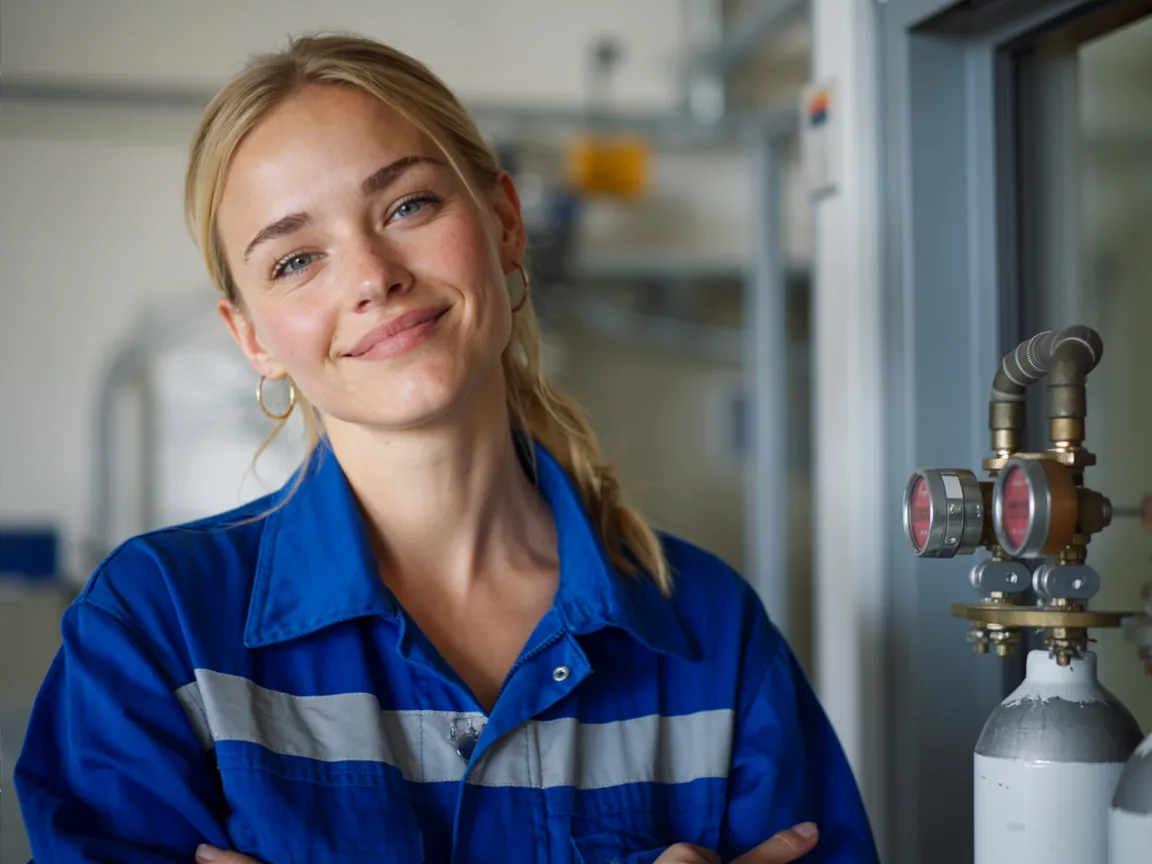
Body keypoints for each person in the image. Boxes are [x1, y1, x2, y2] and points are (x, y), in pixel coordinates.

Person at [14, 33, 880, 864]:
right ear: (252, 339)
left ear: (505, 223)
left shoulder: (708, 633)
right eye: (294, 261)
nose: (371, 276)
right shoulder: (156, 631)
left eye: (407, 206)